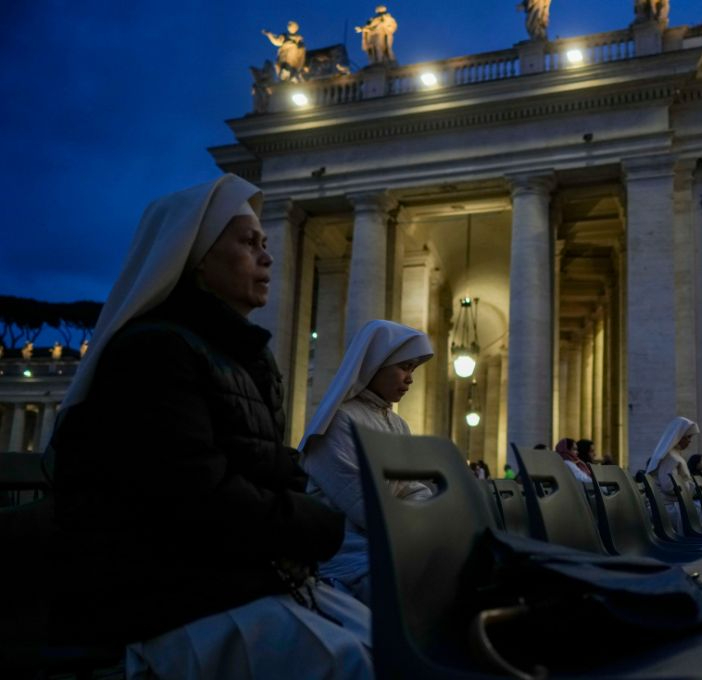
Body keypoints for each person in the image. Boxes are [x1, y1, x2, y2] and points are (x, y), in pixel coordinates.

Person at [49, 175, 371, 677]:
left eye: (266, 243)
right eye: (248, 242)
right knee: (354, 664)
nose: (268, 257)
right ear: (196, 257)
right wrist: (317, 524)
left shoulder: (243, 358)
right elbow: (196, 495)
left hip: (230, 582)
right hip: (171, 605)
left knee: (390, 641)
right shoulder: (153, 353)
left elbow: (265, 467)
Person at [299, 319, 434, 603]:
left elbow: (415, 488)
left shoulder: (399, 425)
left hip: (390, 535)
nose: (410, 378)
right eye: (404, 367)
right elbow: (364, 504)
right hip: (348, 549)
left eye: (413, 369)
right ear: (375, 364)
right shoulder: (339, 421)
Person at [644, 416, 699, 535]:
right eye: (688, 437)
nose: (690, 441)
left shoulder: (674, 454)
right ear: (679, 436)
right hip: (668, 508)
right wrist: (691, 486)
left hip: (674, 505)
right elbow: (669, 486)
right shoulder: (670, 457)